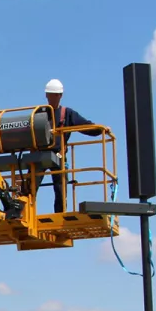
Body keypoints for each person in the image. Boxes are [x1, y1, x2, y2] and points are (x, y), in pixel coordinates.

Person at [30, 79, 103, 213]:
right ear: (46, 95)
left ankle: (60, 213)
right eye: (50, 94)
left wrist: (100, 130)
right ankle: (24, 212)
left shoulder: (67, 114)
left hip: (58, 155)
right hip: (40, 154)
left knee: (61, 188)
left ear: (60, 96)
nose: (52, 97)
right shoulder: (39, 113)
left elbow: (84, 125)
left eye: (55, 95)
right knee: (30, 186)